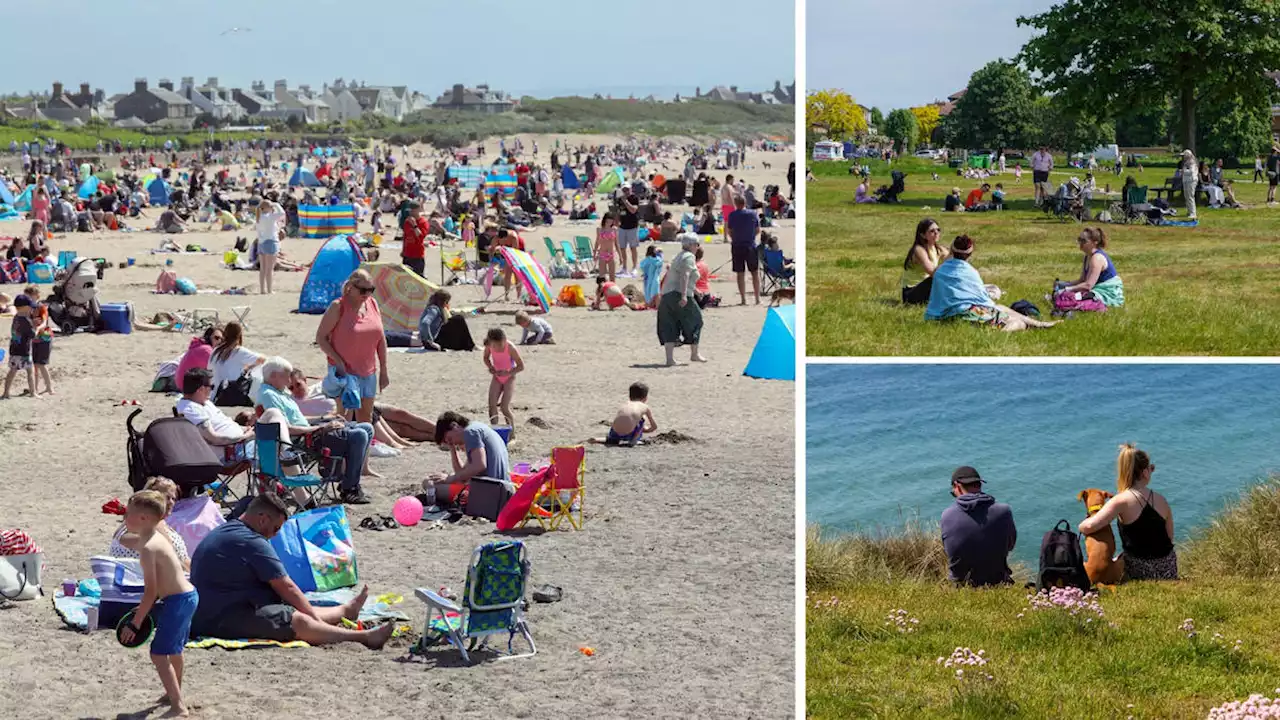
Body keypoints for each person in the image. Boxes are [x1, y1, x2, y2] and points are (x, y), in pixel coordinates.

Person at [189, 494, 392, 648]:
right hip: (220, 618)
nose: (275, 535)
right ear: (262, 519)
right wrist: (312, 618)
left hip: (206, 611)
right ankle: (363, 638)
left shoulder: (228, 530)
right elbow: (287, 586)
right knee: (296, 618)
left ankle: (344, 611)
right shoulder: (252, 542)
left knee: (290, 608)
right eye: (276, 528)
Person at [117, 490, 199, 718]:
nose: (124, 518)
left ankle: (178, 706)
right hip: (189, 596)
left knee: (158, 654)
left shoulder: (149, 549)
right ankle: (174, 693)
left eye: (128, 514)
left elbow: (151, 593)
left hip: (177, 601)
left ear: (143, 519)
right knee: (174, 649)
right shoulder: (155, 537)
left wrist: (135, 623)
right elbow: (124, 538)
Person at [259, 356, 373, 503]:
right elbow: (285, 429)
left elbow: (298, 420)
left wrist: (325, 419)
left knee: (367, 428)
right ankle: (349, 488)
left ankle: (345, 479)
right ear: (274, 376)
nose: (289, 382)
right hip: (302, 441)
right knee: (359, 435)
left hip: (310, 432)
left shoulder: (278, 393)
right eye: (286, 377)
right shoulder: (269, 395)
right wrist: (321, 427)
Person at [1078, 444, 1178, 580]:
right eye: (1151, 468)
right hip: (1167, 569)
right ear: (1144, 472)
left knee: (1113, 561)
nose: (1152, 471)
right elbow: (1169, 538)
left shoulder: (1121, 500)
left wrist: (1083, 523)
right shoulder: (1162, 500)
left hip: (1139, 570)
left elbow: (1088, 527)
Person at [924, 235, 1055, 332]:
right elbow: (984, 300)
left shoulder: (940, 271)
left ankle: (1038, 323)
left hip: (944, 315)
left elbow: (936, 297)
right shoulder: (971, 272)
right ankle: (1001, 332)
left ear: (952, 251)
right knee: (1018, 323)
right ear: (970, 254)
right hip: (967, 313)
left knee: (1001, 307)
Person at [316, 269, 388, 423]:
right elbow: (321, 338)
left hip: (368, 371)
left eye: (371, 290)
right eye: (363, 290)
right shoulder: (338, 307)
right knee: (344, 418)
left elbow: (380, 339)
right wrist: (339, 361)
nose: (367, 294)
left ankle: (364, 447)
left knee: (366, 418)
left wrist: (384, 370)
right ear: (351, 287)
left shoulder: (372, 304)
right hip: (344, 372)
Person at [940, 466, 1016, 587]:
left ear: (957, 486)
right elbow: (1010, 545)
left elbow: (949, 551)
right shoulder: (1004, 511)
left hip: (961, 586)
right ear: (979, 485)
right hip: (998, 582)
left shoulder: (947, 515)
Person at [423, 411, 512, 503]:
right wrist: (452, 449)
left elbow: (480, 465)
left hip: (489, 493)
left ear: (455, 425)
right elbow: (462, 473)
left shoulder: (470, 433)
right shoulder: (477, 427)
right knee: (433, 480)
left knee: (428, 484)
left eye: (450, 439)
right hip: (500, 488)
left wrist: (450, 478)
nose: (453, 442)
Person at [109, 477, 191, 573]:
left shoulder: (143, 522)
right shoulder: (153, 524)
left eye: (173, 498)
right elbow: (168, 555)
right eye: (167, 497)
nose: (171, 502)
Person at [657, 236, 707, 365]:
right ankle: (694, 354)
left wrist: (695, 291)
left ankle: (669, 359)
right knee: (696, 320)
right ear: (691, 245)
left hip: (667, 294)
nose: (698, 247)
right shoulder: (689, 257)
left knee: (669, 324)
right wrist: (684, 295)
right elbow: (685, 275)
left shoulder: (679, 256)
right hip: (679, 294)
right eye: (697, 244)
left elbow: (679, 276)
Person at [1057, 227, 1124, 307]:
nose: (1080, 243)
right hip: (1094, 289)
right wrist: (1064, 284)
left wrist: (1067, 289)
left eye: (1083, 241)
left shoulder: (1097, 258)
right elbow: (1082, 280)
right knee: (1067, 296)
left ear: (1095, 242)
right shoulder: (1087, 256)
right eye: (1079, 239)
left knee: (1073, 297)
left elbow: (1088, 286)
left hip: (1107, 292)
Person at [209, 322, 264, 405]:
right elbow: (262, 360)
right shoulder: (238, 350)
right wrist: (250, 366)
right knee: (258, 374)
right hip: (230, 393)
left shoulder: (216, 350)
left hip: (214, 394)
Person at [901, 218, 949, 305]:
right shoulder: (919, 250)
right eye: (932, 231)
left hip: (924, 288)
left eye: (938, 230)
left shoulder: (938, 248)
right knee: (938, 279)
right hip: (911, 293)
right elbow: (933, 272)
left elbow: (953, 258)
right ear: (923, 235)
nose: (936, 233)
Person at [592, 382, 657, 446]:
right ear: (645, 398)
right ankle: (634, 441)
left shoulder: (625, 404)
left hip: (614, 432)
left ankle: (599, 439)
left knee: (627, 420)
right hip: (628, 435)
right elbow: (654, 427)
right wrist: (645, 430)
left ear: (629, 396)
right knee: (641, 420)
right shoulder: (644, 406)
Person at [482, 328, 523, 430]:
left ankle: (512, 433)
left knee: (504, 407)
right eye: (495, 345)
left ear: (505, 340)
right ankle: (495, 430)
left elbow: (521, 366)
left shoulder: (510, 348)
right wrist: (491, 367)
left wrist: (508, 372)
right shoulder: (489, 346)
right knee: (492, 405)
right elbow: (486, 358)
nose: (498, 347)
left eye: (501, 344)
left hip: (509, 378)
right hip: (497, 377)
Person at [726, 195, 761, 305]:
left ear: (736, 204)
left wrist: (736, 238)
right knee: (754, 272)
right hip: (750, 245)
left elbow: (730, 231)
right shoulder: (753, 214)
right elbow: (757, 230)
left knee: (740, 273)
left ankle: (743, 299)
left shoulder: (732, 215)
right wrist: (750, 237)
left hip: (737, 245)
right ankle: (757, 299)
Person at [3, 294, 35, 399]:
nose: (31, 308)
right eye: (30, 306)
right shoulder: (26, 320)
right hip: (24, 350)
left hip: (14, 349)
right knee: (30, 371)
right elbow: (32, 334)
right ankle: (33, 393)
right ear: (24, 307)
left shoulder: (16, 317)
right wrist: (37, 326)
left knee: (12, 371)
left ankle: (6, 393)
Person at [175, 325, 222, 392]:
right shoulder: (206, 350)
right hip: (187, 387)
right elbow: (216, 369)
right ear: (208, 337)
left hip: (181, 383)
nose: (219, 341)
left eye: (222, 340)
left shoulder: (199, 345)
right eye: (217, 338)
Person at [24, 285, 52, 395]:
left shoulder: (42, 307)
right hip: (34, 339)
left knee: (41, 364)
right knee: (34, 365)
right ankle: (34, 388)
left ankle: (49, 387)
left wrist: (38, 329)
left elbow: (44, 322)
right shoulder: (28, 309)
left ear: (37, 296)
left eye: (30, 297)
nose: (28, 299)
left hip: (44, 338)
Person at [254, 199, 285, 295]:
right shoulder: (270, 217)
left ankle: (262, 289)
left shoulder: (259, 218)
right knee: (270, 269)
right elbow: (282, 213)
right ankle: (269, 290)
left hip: (261, 243)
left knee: (263, 269)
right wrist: (276, 204)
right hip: (271, 242)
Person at [400, 202, 428, 277]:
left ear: (418, 210)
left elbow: (421, 236)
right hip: (407, 254)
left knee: (418, 277)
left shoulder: (423, 222)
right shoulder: (407, 221)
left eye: (412, 210)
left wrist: (414, 225)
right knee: (406, 277)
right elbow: (405, 237)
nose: (410, 212)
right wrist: (403, 250)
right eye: (410, 210)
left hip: (417, 255)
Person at [616, 190, 641, 275]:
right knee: (622, 248)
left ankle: (634, 267)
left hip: (632, 227)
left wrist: (626, 201)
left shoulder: (634, 198)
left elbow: (633, 210)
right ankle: (624, 268)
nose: (625, 191)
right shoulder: (619, 199)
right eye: (623, 190)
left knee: (633, 247)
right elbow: (619, 211)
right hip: (622, 227)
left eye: (627, 190)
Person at [593, 214, 619, 282]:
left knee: (612, 278)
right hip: (602, 254)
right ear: (605, 221)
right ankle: (602, 292)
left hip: (611, 254)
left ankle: (612, 291)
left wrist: (620, 256)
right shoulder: (599, 229)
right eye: (608, 222)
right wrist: (594, 253)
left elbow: (616, 243)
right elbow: (597, 242)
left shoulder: (614, 229)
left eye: (611, 222)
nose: (609, 223)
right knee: (602, 278)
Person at [1180, 149, 1198, 220]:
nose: (1183, 157)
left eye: (1184, 155)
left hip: (1191, 181)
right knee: (1186, 196)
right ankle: (1189, 211)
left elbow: (1191, 172)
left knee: (1190, 196)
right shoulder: (1186, 162)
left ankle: (1193, 213)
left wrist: (1183, 171)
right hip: (1186, 181)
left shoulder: (1192, 162)